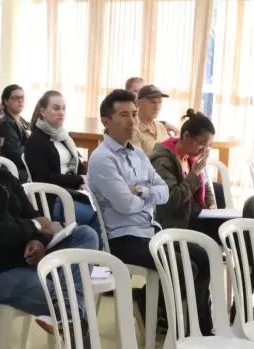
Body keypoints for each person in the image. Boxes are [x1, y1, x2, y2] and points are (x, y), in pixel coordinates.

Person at [0, 117, 98, 341]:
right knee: (72, 306)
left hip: (27, 257)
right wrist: (34, 227)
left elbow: (33, 215)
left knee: (85, 235)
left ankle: (68, 306)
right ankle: (69, 307)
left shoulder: (2, 175)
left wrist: (39, 239)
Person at [88, 89, 213, 335]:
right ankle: (176, 330)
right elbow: (125, 205)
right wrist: (146, 195)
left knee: (202, 255)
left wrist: (140, 192)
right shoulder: (103, 159)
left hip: (149, 231)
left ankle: (202, 330)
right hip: (121, 238)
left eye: (134, 114)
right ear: (106, 121)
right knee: (182, 264)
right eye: (124, 115)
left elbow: (164, 192)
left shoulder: (136, 153)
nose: (132, 121)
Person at [24, 91, 99, 231]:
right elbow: (43, 177)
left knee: (106, 209)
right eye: (56, 108)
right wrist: (79, 179)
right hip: (53, 198)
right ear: (43, 111)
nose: (61, 112)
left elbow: (77, 163)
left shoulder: (64, 137)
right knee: (97, 215)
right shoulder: (36, 140)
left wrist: (86, 176)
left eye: (64, 108)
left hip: (73, 192)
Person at [149, 110, 217, 234]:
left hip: (194, 216)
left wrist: (211, 204)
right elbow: (172, 200)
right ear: (186, 136)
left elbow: (205, 184)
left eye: (208, 145)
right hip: (174, 226)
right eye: (201, 143)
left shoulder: (191, 157)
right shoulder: (163, 160)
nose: (204, 149)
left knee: (238, 230)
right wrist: (194, 173)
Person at [0, 84, 30, 182]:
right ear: (6, 101)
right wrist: (35, 150)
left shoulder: (21, 120)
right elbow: (16, 154)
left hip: (25, 165)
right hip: (15, 170)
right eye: (16, 98)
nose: (20, 101)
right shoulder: (5, 123)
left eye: (22, 97)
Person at [131, 85, 173, 152]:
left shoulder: (161, 127)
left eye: (160, 102)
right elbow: (137, 160)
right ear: (138, 103)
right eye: (152, 102)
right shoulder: (132, 129)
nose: (157, 107)